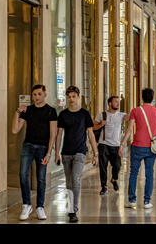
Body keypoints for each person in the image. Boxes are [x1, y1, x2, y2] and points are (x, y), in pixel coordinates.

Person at [11, 84, 58, 221]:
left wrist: (49, 153)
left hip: (43, 148)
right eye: (34, 95)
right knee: (23, 174)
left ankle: (39, 207)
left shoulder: (51, 111)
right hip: (28, 146)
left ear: (44, 94)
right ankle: (26, 204)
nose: (36, 97)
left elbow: (53, 134)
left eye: (39, 94)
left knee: (41, 178)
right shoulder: (28, 110)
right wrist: (17, 112)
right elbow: (15, 130)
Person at [54, 85, 98, 223]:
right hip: (66, 153)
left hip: (80, 152)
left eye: (74, 96)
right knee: (68, 183)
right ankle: (72, 205)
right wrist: (57, 153)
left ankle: (73, 209)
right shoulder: (63, 114)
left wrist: (95, 153)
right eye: (69, 97)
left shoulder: (85, 114)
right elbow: (59, 134)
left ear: (78, 97)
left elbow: (90, 134)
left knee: (76, 179)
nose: (71, 99)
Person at [119, 88, 156, 209]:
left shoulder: (136, 111)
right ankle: (147, 201)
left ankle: (132, 200)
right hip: (151, 148)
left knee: (133, 173)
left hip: (137, 146)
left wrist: (122, 144)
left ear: (142, 97)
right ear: (153, 98)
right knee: (150, 174)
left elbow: (129, 130)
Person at [93, 96, 129, 195]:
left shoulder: (121, 115)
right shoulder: (102, 115)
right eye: (116, 102)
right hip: (103, 144)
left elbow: (130, 117)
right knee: (103, 166)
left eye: (118, 102)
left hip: (116, 145)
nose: (118, 103)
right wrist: (101, 125)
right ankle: (104, 186)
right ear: (110, 103)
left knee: (117, 165)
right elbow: (93, 127)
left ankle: (114, 179)